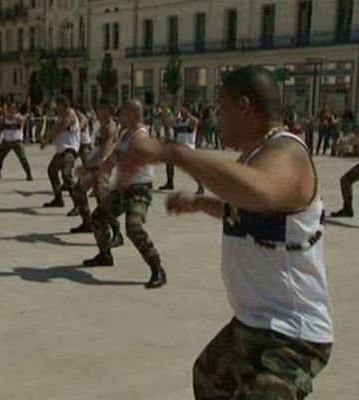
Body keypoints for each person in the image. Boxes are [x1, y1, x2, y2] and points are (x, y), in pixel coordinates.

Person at [133, 66, 333, 398]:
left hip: (293, 334)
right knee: (209, 376)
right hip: (253, 322)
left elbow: (261, 193)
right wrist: (200, 204)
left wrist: (176, 153)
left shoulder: (288, 153)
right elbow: (247, 211)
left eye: (222, 109)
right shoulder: (255, 156)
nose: (217, 117)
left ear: (244, 107)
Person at [79, 100, 165, 289]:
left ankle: (157, 268)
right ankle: (105, 255)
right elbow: (111, 160)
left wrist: (95, 173)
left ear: (134, 114)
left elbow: (123, 160)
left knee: (133, 227)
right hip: (123, 188)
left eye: (124, 113)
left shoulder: (140, 137)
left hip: (140, 188)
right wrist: (91, 173)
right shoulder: (125, 135)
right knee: (98, 217)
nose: (120, 116)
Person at [69, 100, 123, 247]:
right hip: (94, 167)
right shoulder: (102, 126)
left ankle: (117, 233)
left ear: (107, 111)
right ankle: (87, 223)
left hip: (102, 169)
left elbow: (105, 154)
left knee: (103, 201)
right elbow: (97, 149)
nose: (97, 112)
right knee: (78, 190)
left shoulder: (111, 128)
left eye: (100, 109)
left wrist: (88, 168)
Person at [40, 96, 80, 208]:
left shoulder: (69, 114)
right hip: (61, 150)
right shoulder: (60, 117)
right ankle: (58, 199)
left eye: (57, 105)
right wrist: (46, 139)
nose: (56, 108)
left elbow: (61, 128)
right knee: (52, 171)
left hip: (69, 150)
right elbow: (54, 129)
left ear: (62, 104)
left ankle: (78, 205)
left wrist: (48, 140)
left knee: (67, 176)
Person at [159, 107, 204, 195]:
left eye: (183, 112)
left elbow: (196, 122)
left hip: (188, 148)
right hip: (179, 148)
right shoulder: (179, 122)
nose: (182, 114)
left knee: (192, 170)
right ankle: (170, 183)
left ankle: (201, 186)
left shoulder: (190, 122)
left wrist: (188, 115)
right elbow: (167, 123)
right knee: (169, 162)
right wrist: (175, 117)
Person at [0, 103, 33, 181]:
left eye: (13, 108)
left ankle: (29, 174)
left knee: (23, 158)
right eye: (10, 108)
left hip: (17, 141)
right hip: (6, 141)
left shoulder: (18, 116)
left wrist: (13, 116)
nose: (11, 110)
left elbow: (22, 120)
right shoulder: (6, 117)